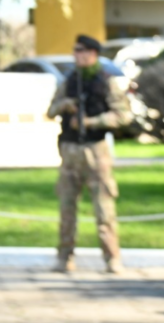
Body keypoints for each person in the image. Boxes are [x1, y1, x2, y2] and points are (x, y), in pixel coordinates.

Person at [46, 34, 133, 275]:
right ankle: (64, 257)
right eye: (75, 50)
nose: (76, 55)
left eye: (81, 50)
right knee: (66, 208)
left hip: (96, 151)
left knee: (104, 209)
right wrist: (65, 105)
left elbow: (123, 115)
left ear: (92, 53)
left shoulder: (105, 82)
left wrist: (92, 121)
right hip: (69, 151)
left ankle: (112, 258)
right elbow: (50, 111)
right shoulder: (69, 81)